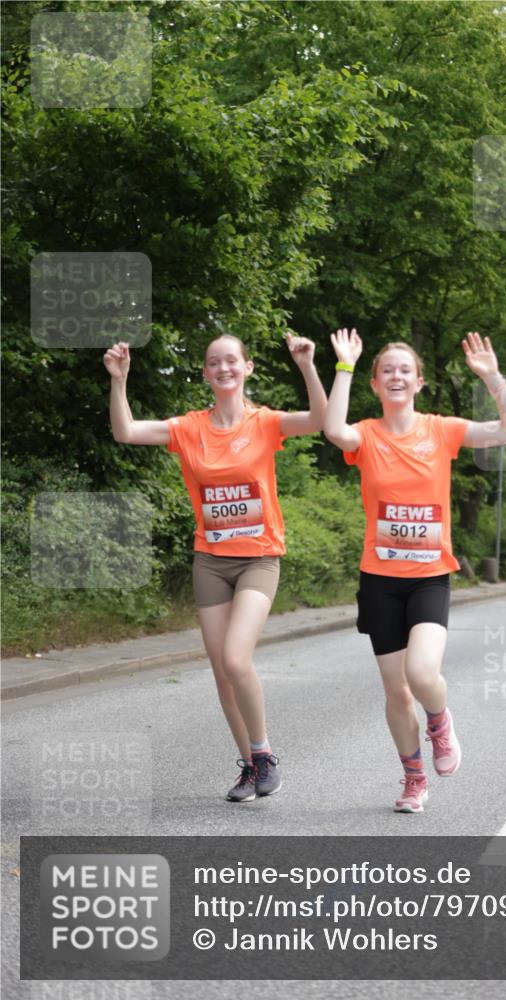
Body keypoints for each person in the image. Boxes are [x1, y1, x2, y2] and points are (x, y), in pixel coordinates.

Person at [104, 332, 327, 802]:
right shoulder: (189, 428)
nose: (223, 368)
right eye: (213, 362)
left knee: (235, 658)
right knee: (222, 672)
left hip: (258, 557)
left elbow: (320, 420)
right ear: (205, 373)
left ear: (247, 367)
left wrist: (307, 366)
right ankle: (250, 767)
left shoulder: (265, 423)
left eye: (231, 360)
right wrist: (119, 380)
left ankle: (264, 754)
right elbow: (125, 432)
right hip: (210, 560)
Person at [324, 328, 506, 813]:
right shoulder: (366, 435)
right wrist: (344, 366)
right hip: (380, 580)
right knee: (396, 692)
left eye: (405, 370)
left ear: (419, 382)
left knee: (421, 673)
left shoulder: (441, 430)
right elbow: (333, 430)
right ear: (376, 384)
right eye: (387, 371)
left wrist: (493, 377)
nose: (396, 376)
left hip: (429, 575)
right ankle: (413, 780)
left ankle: (440, 720)